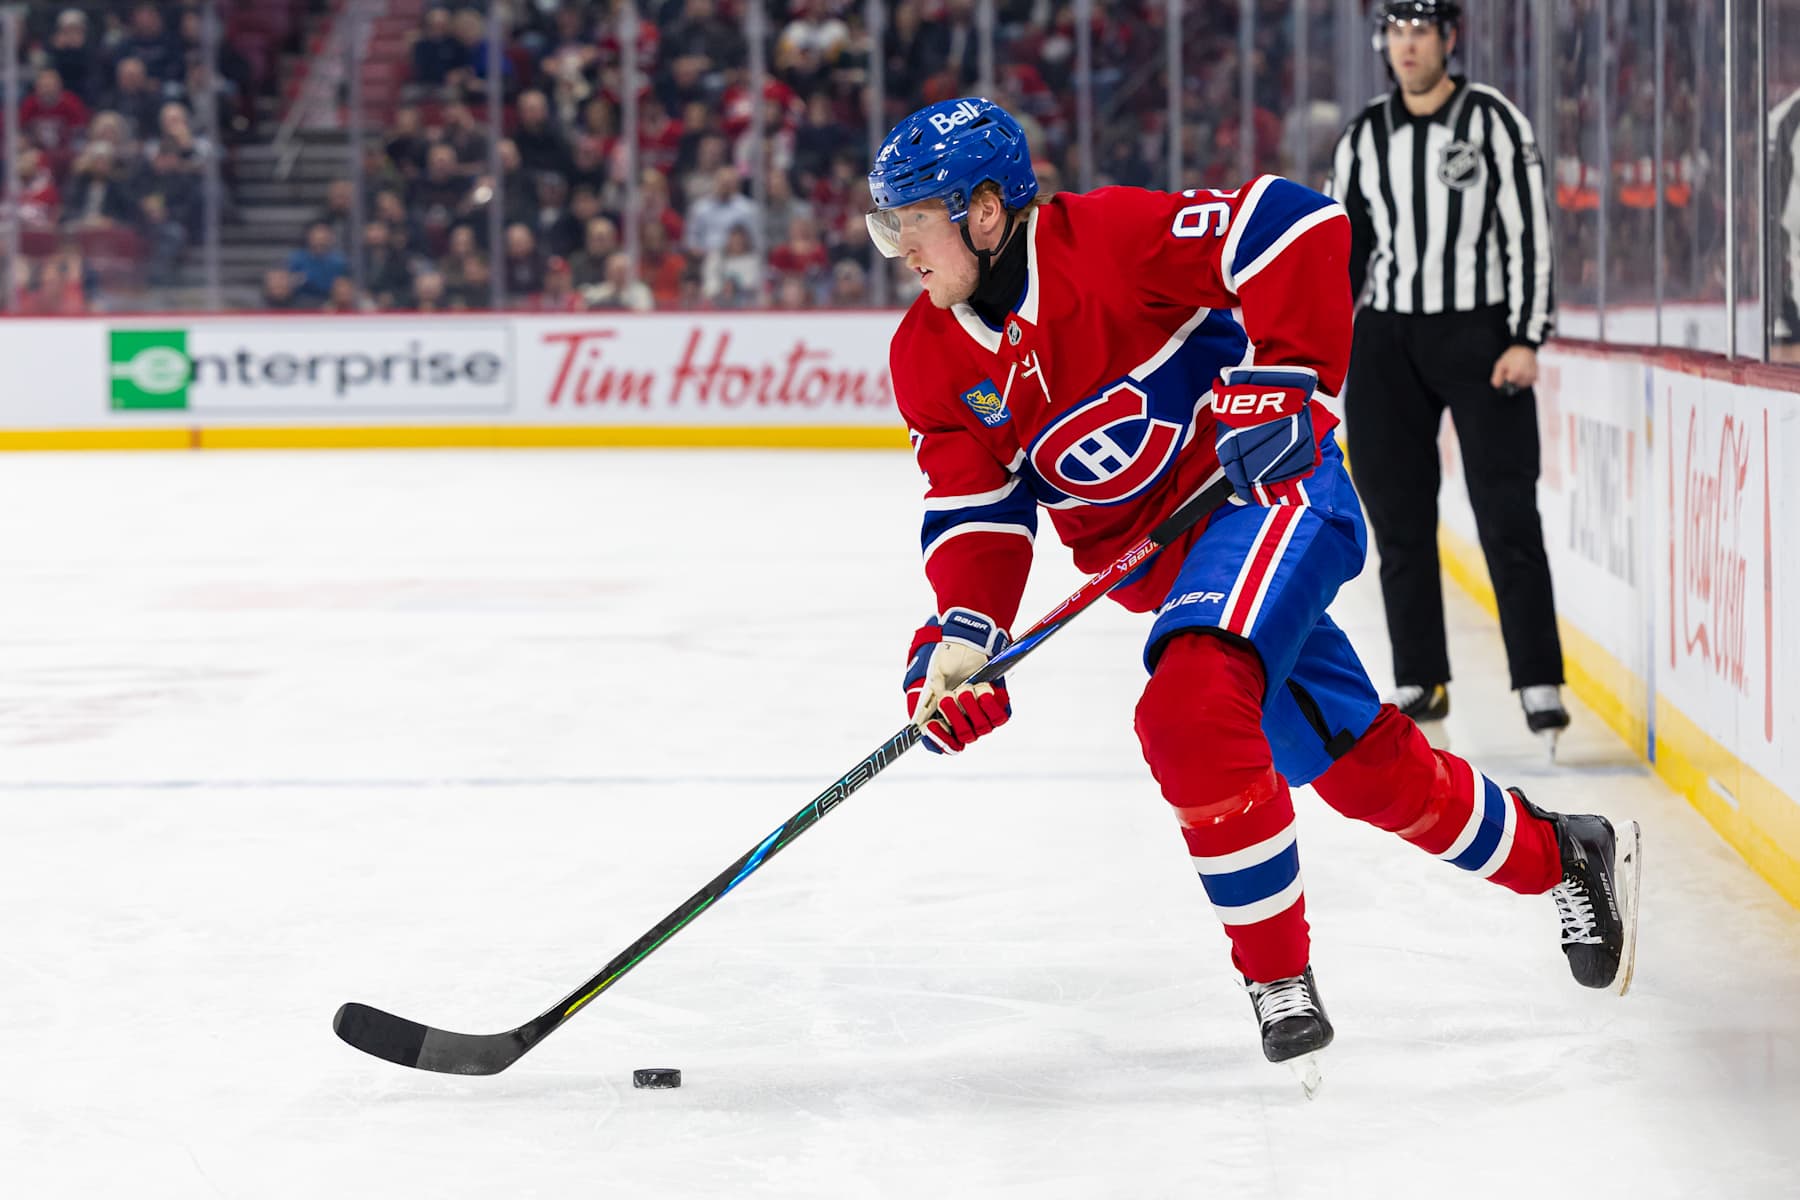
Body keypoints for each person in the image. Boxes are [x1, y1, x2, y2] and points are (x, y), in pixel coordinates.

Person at [867, 96, 1641, 1083]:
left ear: (983, 213)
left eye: (913, 222)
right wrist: (963, 639)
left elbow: (1297, 223)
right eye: (889, 225)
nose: (900, 249)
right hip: (1184, 576)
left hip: (1272, 493)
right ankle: (1563, 855)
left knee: (1189, 709)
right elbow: (976, 511)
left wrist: (1288, 376)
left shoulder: (1103, 239)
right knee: (1364, 769)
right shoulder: (926, 355)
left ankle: (1278, 982)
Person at [1324, 1, 1567, 747]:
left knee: (1507, 512)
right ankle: (1420, 677)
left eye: (1420, 30)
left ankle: (1537, 679)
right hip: (1387, 338)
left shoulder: (1494, 121)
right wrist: (1325, 347)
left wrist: (1526, 336)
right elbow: (1343, 251)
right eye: (1395, 31)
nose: (1406, 44)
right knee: (1398, 517)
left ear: (1448, 39)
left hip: (1480, 332)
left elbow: (1529, 230)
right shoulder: (1364, 135)